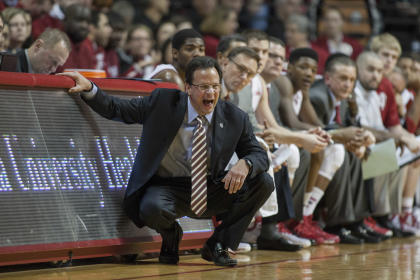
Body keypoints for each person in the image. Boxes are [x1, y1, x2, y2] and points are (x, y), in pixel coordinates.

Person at [59, 56, 274, 267]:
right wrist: (90, 89)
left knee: (263, 182)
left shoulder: (234, 117)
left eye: (215, 86)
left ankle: (218, 244)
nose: (211, 93)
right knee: (151, 208)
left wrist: (246, 163)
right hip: (168, 187)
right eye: (203, 86)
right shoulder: (163, 102)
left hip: (209, 188)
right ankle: (171, 234)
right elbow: (118, 109)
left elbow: (258, 153)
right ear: (188, 88)